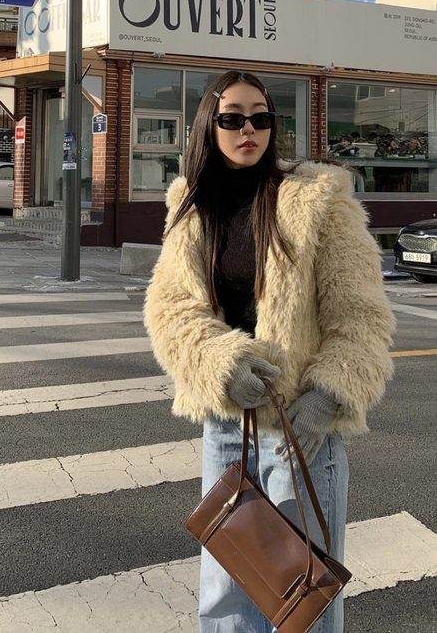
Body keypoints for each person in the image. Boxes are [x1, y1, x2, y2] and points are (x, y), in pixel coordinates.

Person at [143, 70, 395, 633]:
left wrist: (328, 397)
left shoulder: (316, 200)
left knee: (301, 598)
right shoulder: (192, 205)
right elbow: (170, 308)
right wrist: (221, 363)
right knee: (224, 592)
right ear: (209, 125)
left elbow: (361, 314)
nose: (248, 129)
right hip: (227, 423)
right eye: (232, 118)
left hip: (299, 426)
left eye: (260, 117)